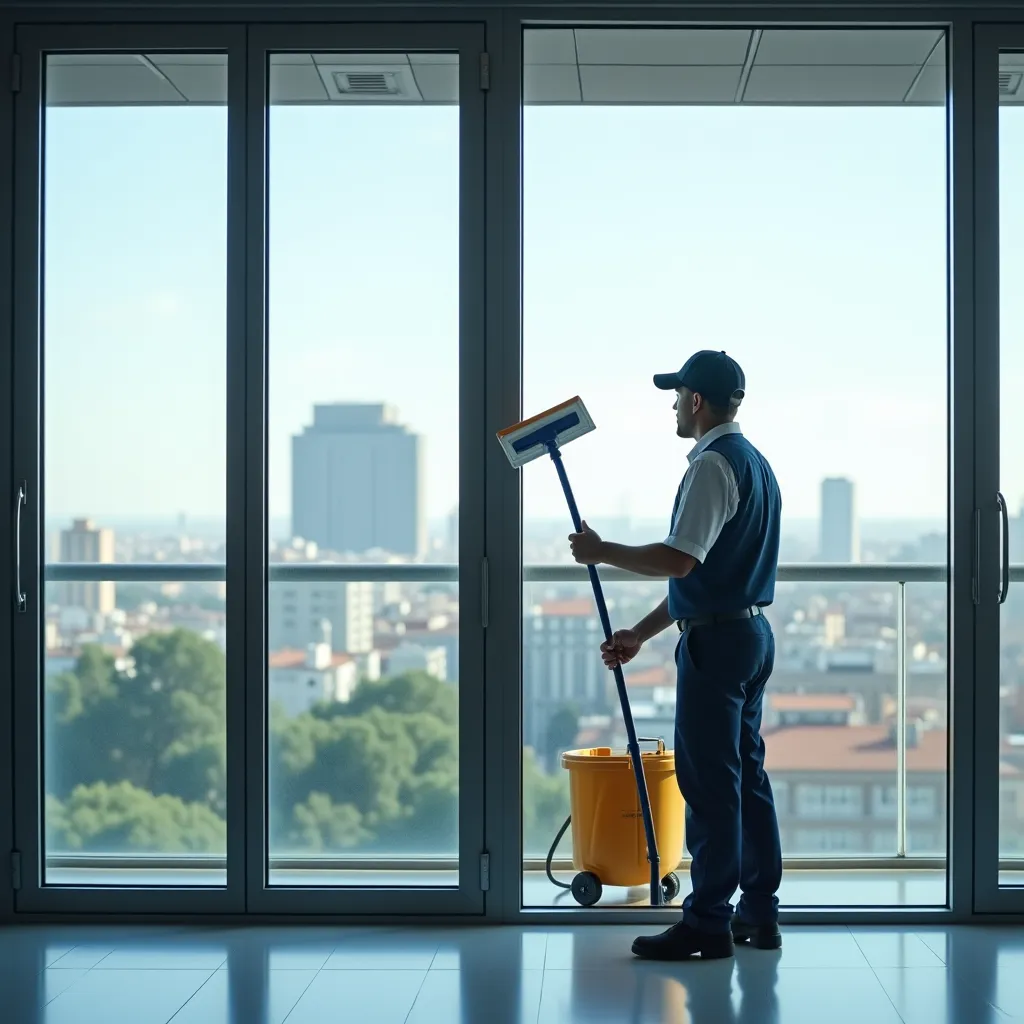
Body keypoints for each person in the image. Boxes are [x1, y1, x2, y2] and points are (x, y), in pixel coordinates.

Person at [567, 350, 783, 961]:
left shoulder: (712, 465)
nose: (673, 407)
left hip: (717, 647)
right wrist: (640, 632)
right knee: (746, 778)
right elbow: (707, 576)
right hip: (748, 635)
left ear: (696, 401)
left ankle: (708, 922)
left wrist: (602, 551)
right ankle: (758, 911)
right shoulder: (756, 464)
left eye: (677, 396)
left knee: (710, 785)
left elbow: (679, 560)